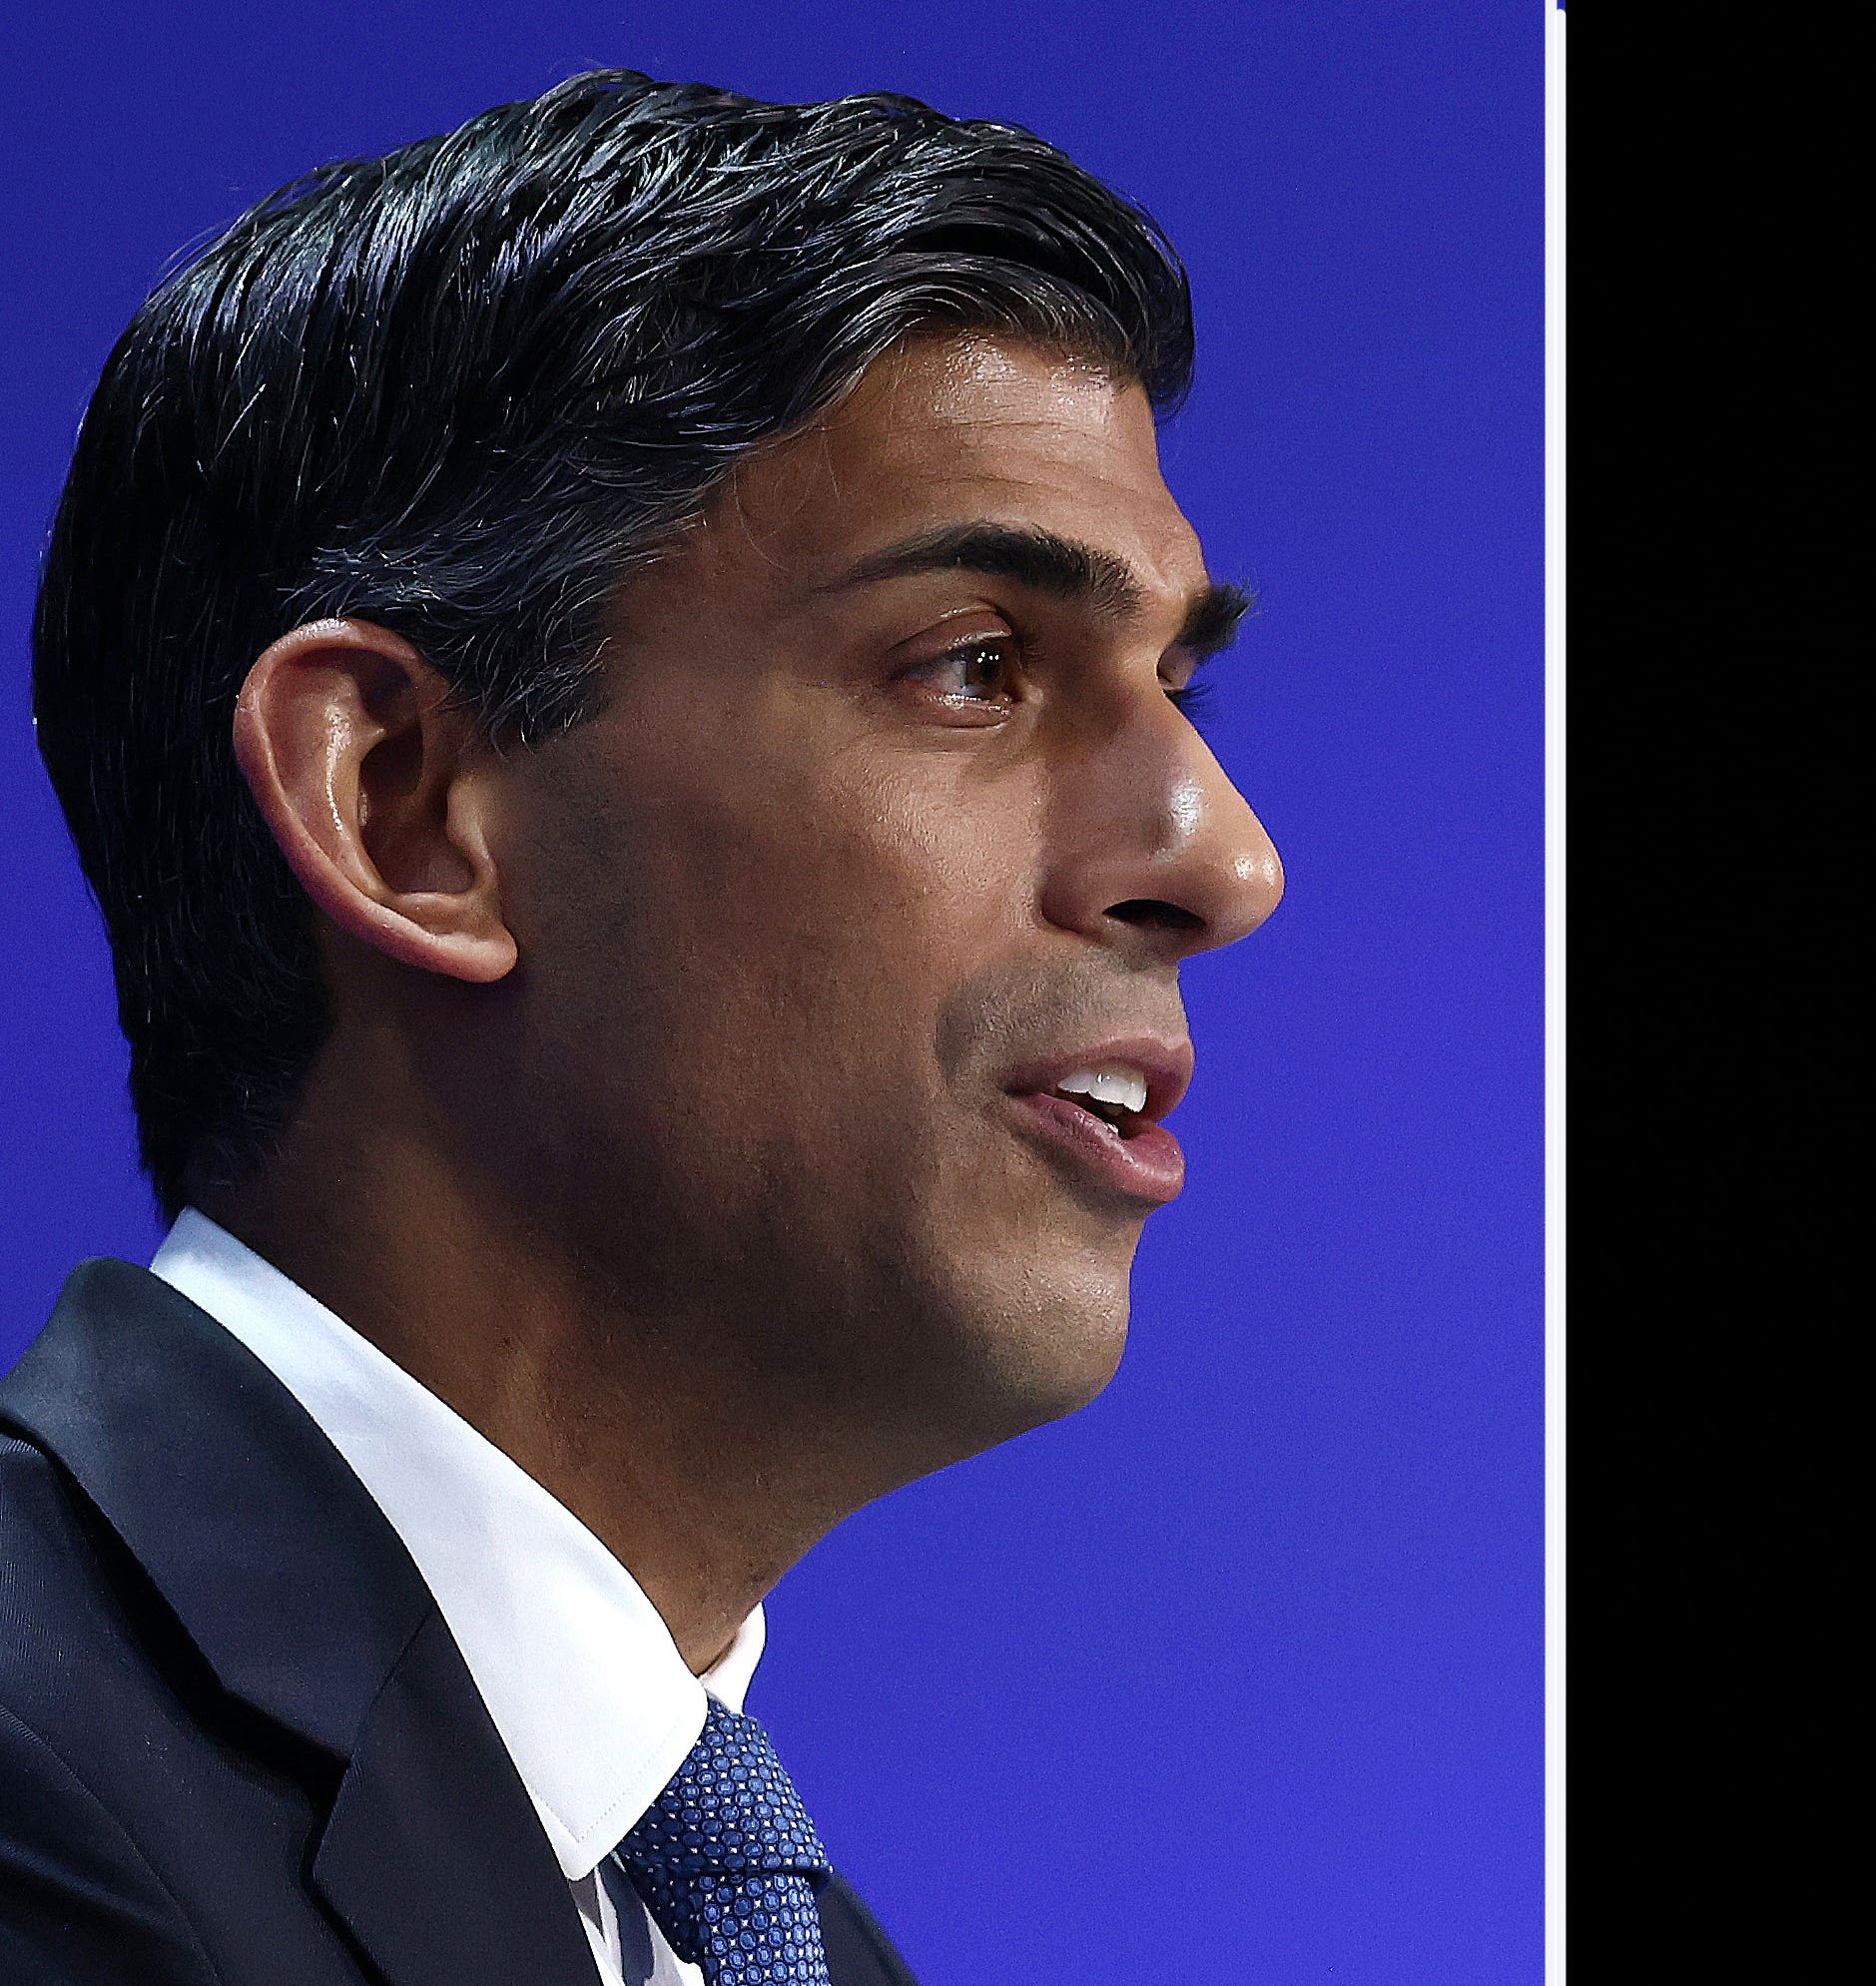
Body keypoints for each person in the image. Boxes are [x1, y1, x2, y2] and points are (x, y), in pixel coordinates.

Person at [0, 70, 1281, 1986]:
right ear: (405, 804)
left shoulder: (797, 1950)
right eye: (979, 666)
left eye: (1175, 684)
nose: (1224, 855)